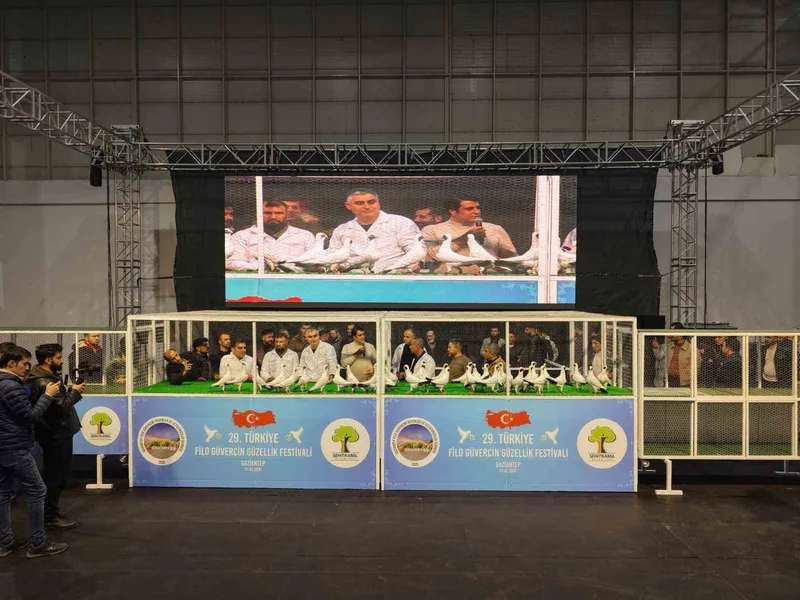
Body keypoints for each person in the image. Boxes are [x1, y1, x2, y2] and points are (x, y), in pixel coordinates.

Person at [0, 345, 67, 558]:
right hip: (14, 446)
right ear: (11, 363)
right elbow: (29, 416)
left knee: (3, 492)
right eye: (24, 363)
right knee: (37, 490)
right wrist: (47, 396)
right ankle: (38, 542)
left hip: (4, 445)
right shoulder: (10, 386)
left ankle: (5, 541)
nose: (28, 368)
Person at [26, 344, 85, 529]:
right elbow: (62, 407)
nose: (62, 361)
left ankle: (50, 511)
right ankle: (49, 516)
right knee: (56, 476)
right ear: (48, 360)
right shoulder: (44, 382)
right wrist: (75, 392)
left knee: (55, 474)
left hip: (55, 432)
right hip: (56, 433)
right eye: (59, 357)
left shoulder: (44, 378)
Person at [328, 190, 421, 274]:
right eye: (360, 203)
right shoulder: (341, 229)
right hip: (353, 277)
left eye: (371, 202)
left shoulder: (401, 222)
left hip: (392, 275)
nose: (367, 207)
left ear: (378, 203)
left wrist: (415, 265)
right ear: (348, 205)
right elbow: (333, 254)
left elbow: (414, 249)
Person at [420, 198, 517, 264]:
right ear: (453, 211)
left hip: (489, 278)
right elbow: (427, 257)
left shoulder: (494, 228)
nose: (477, 212)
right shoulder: (431, 230)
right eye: (470, 209)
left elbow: (512, 257)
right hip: (450, 279)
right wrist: (465, 238)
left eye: (478, 208)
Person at [226, 200, 316, 271]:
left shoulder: (305, 235)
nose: (273, 217)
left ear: (286, 215)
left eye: (278, 213)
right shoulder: (241, 236)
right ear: (258, 214)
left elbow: (314, 260)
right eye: (267, 213)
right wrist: (261, 268)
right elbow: (232, 262)